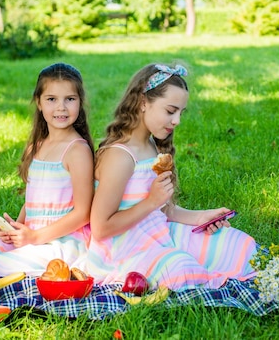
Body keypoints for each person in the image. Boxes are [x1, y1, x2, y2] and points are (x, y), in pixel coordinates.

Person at [87, 63, 258, 290]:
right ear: (142, 103)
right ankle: (190, 268)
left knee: (241, 245)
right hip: (125, 249)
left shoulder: (151, 145)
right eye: (170, 111)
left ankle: (195, 262)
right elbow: (100, 229)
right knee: (182, 270)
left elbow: (164, 210)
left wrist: (201, 217)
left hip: (158, 234)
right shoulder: (120, 157)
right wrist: (151, 202)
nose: (177, 120)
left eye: (180, 112)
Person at [0, 63, 94, 277]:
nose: (61, 107)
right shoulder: (36, 146)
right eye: (51, 99)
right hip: (32, 237)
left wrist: (34, 238)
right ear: (39, 102)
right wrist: (17, 229)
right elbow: (32, 200)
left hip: (62, 242)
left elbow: (83, 213)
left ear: (80, 103)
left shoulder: (77, 151)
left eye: (69, 99)